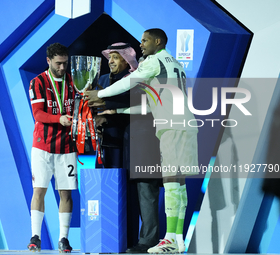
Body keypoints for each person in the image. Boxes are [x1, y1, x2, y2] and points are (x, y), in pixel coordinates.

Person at [84, 28, 199, 253]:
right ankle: (176, 238)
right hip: (186, 125)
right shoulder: (175, 63)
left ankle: (169, 240)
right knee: (179, 184)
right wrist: (116, 111)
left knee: (172, 183)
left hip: (171, 127)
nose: (141, 44)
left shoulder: (154, 61)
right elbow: (151, 103)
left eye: (145, 40)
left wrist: (101, 94)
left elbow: (130, 82)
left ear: (158, 41)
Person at [90, 42, 161, 253]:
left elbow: (138, 102)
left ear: (127, 60)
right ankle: (114, 238)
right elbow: (94, 107)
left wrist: (107, 108)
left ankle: (145, 241)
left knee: (142, 195)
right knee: (114, 195)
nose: (110, 61)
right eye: (108, 57)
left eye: (115, 57)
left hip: (137, 146)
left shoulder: (138, 79)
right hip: (110, 149)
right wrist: (96, 118)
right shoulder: (101, 80)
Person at [28, 43, 77, 253]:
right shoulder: (37, 82)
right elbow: (37, 114)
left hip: (67, 147)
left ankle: (63, 239)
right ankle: (35, 237)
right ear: (48, 61)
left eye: (65, 63)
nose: (62, 67)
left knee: (66, 194)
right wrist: (60, 118)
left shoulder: (74, 81)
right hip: (43, 147)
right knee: (39, 190)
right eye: (58, 63)